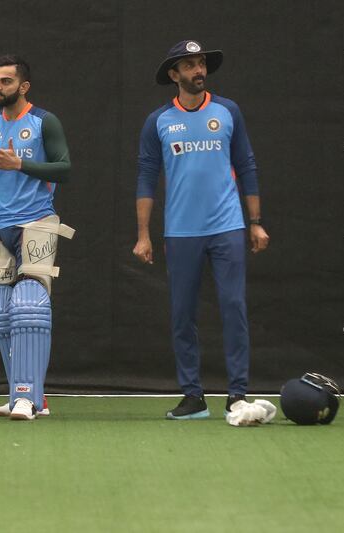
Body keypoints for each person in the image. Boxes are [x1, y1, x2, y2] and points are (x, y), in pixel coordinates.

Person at [133, 40, 270, 420]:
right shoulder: (158, 121)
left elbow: (247, 164)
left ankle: (238, 394)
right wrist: (143, 234)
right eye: (189, 65)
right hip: (181, 233)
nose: (198, 70)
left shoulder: (228, 112)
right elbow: (146, 177)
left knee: (234, 307)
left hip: (228, 227)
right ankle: (193, 397)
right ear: (174, 75)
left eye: (201, 64)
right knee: (182, 315)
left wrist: (255, 223)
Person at [0, 55, 74, 420]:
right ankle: (26, 396)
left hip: (37, 222)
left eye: (6, 81)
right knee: (0, 313)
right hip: (0, 226)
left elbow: (64, 168)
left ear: (23, 87)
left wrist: (20, 164)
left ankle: (26, 396)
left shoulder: (44, 122)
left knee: (28, 307)